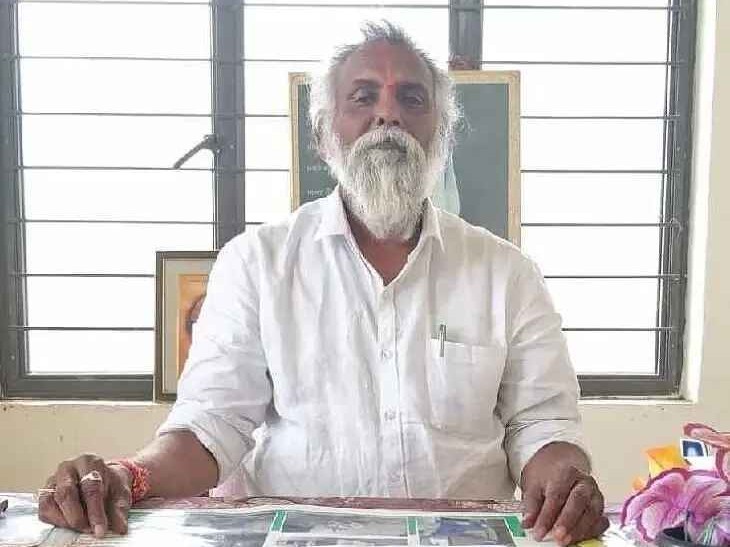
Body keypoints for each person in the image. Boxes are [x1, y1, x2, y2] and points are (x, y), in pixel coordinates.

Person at [39, 21, 609, 545]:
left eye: (412, 98)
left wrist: (566, 482)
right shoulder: (256, 264)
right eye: (363, 97)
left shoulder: (507, 273)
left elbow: (542, 424)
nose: (388, 116)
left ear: (442, 132)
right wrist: (128, 475)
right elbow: (212, 425)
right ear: (322, 134)